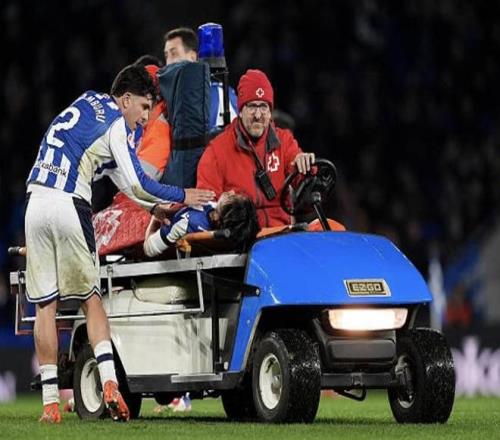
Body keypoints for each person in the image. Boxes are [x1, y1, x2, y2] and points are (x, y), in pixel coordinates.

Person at [25, 64, 214, 423]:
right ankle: (110, 384)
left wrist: (154, 208)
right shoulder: (116, 123)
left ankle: (50, 404)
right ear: (125, 100)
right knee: (91, 299)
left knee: (45, 306)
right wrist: (182, 195)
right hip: (69, 203)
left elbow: (120, 179)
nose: (145, 117)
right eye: (144, 107)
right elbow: (138, 181)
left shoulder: (86, 102)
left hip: (35, 203)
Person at [197, 69, 315, 228]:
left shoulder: (285, 141)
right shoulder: (216, 151)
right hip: (242, 238)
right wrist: (219, 207)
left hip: (282, 234)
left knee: (332, 228)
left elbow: (306, 193)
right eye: (252, 106)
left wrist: (308, 170)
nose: (258, 115)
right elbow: (205, 205)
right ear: (240, 110)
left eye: (263, 107)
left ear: (270, 111)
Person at [163, 27, 238, 133]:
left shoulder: (220, 94)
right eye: (166, 56)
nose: (168, 62)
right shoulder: (168, 101)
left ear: (192, 57)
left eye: (174, 54)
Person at [144, 191, 259, 257]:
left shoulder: (186, 223)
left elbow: (148, 249)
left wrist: (155, 216)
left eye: (232, 197)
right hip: (174, 213)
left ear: (217, 217)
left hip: (157, 231)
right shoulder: (215, 212)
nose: (231, 192)